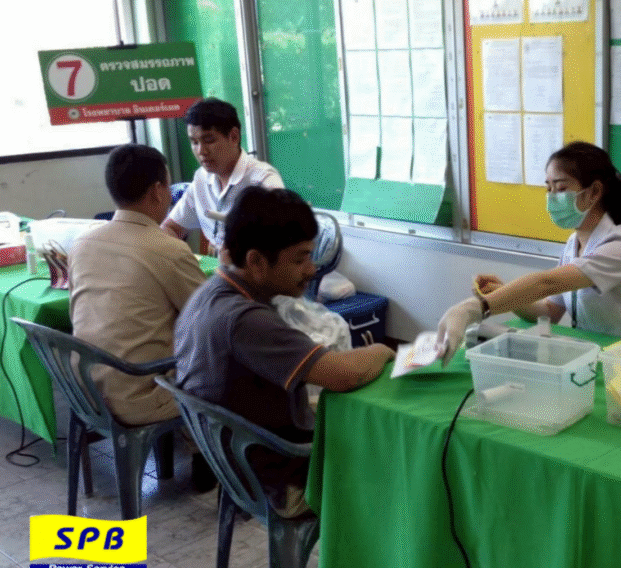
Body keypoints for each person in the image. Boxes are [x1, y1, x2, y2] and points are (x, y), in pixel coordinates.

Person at [174, 186, 395, 517]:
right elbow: (344, 374)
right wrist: (384, 349)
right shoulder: (246, 320)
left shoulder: (209, 294)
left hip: (236, 458)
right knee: (404, 456)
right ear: (256, 262)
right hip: (279, 477)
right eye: (300, 259)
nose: (311, 269)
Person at [437, 141, 621, 364]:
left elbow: (547, 283)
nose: (551, 196)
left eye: (561, 188)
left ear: (594, 192)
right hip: (604, 360)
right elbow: (550, 311)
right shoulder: (573, 244)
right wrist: (504, 294)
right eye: (548, 188)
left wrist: (475, 308)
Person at [68, 144, 213, 489]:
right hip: (138, 396)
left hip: (84, 389)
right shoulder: (166, 249)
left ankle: (197, 453)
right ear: (158, 191)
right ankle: (211, 461)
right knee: (222, 354)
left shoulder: (82, 243)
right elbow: (210, 320)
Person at [162, 97, 284, 254]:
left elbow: (282, 238)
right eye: (194, 142)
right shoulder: (201, 178)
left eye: (209, 140)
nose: (201, 151)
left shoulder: (263, 180)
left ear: (234, 137)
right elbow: (170, 227)